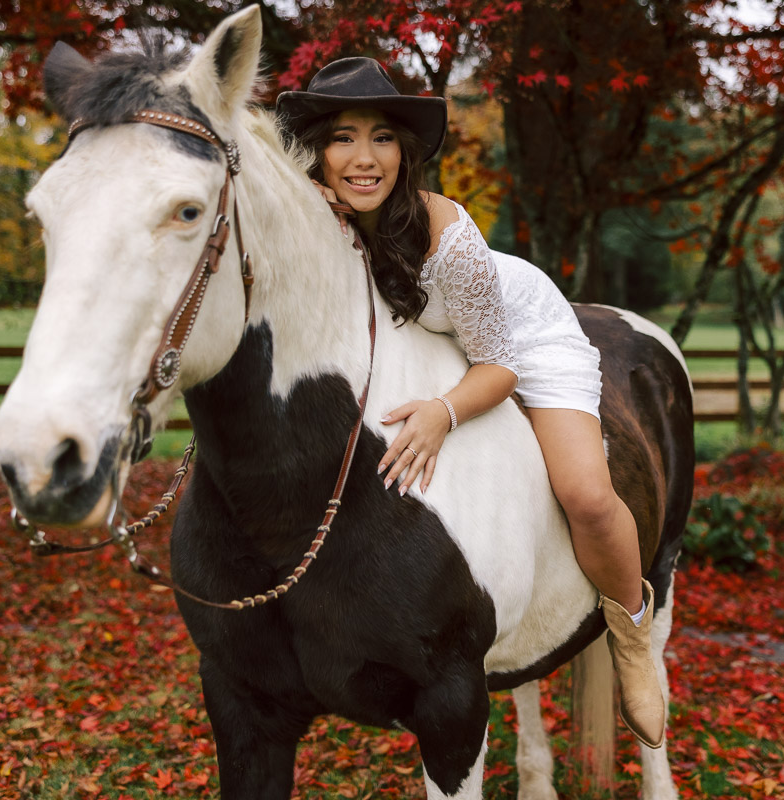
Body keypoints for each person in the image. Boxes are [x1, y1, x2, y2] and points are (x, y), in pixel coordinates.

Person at [276, 58, 666, 749]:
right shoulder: (313, 214)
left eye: (383, 138)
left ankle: (634, 633)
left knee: (587, 492)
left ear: (406, 151)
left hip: (516, 338)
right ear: (317, 151)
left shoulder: (446, 235)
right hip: (427, 336)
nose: (363, 159)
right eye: (343, 137)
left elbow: (497, 367)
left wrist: (441, 412)